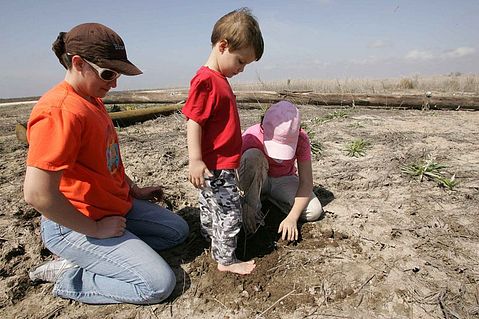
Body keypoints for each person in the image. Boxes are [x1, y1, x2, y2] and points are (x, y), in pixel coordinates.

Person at [24, 23, 189, 305]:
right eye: (108, 73)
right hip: (74, 223)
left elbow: (105, 161)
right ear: (78, 63)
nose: (115, 83)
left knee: (177, 231)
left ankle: (106, 258)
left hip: (111, 206)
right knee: (158, 284)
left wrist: (133, 189)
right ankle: (70, 276)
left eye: (118, 74)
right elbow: (37, 194)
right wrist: (96, 230)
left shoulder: (92, 98)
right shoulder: (60, 111)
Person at [182, 8, 264, 275]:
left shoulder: (218, 79)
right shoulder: (207, 80)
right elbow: (194, 120)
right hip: (216, 164)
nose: (241, 69)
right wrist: (195, 159)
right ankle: (226, 259)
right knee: (230, 212)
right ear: (223, 46)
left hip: (217, 164)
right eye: (240, 61)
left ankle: (213, 239)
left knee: (211, 204)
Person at [239, 101, 323, 241]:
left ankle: (269, 201)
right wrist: (247, 203)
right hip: (257, 180)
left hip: (283, 180)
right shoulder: (251, 136)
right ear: (263, 128)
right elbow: (237, 172)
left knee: (313, 212)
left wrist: (292, 217)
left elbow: (306, 182)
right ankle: (254, 204)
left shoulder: (301, 139)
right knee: (253, 155)